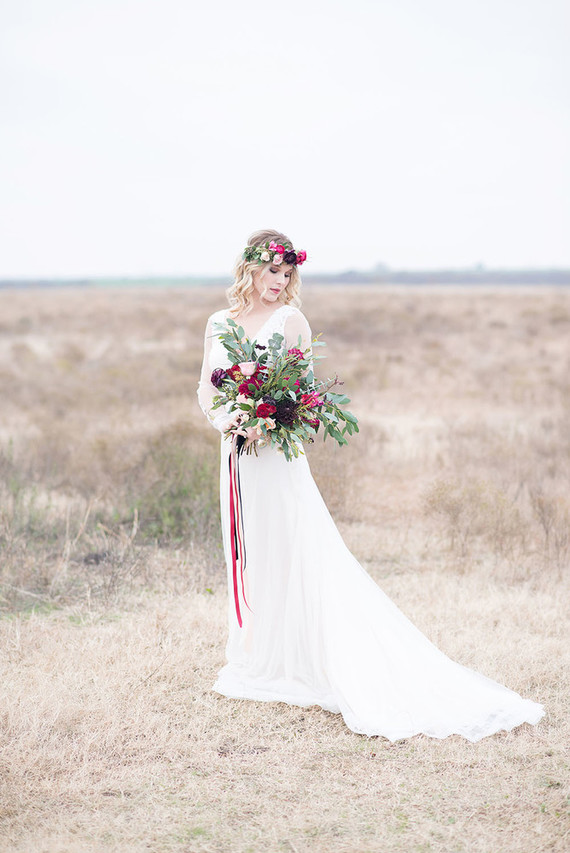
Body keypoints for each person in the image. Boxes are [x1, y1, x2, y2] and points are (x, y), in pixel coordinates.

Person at [196, 228, 545, 742]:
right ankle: (262, 659)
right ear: (248, 267)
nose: (279, 281)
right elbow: (207, 389)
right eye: (272, 270)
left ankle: (316, 660)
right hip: (236, 456)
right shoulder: (218, 323)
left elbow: (301, 394)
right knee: (252, 553)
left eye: (287, 273)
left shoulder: (291, 321)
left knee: (298, 551)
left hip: (275, 458)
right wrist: (232, 423)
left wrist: (266, 423)